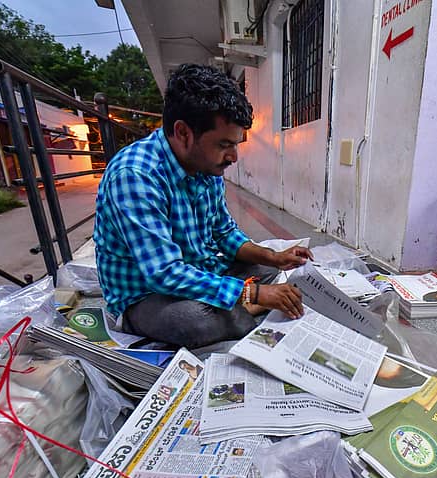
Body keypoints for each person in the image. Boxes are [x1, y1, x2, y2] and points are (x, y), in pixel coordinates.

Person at [94, 64, 313, 348]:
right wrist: (255, 295)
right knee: (193, 322)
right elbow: (164, 273)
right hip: (148, 294)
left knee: (277, 274)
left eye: (236, 144)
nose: (233, 157)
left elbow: (225, 234)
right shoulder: (135, 176)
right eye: (224, 144)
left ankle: (238, 310)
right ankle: (241, 310)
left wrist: (273, 257)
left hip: (202, 270)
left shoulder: (206, 166)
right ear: (183, 133)